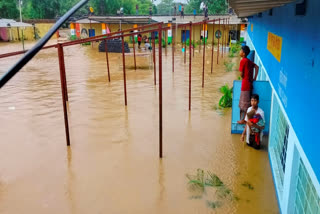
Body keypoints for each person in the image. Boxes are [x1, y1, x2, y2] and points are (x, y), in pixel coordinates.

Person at [237, 45, 259, 124]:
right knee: (247, 103)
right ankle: (245, 119)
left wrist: (243, 76)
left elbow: (241, 74)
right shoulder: (248, 61)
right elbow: (257, 67)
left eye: (240, 51)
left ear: (243, 53)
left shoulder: (243, 61)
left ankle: (245, 120)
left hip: (245, 85)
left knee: (245, 105)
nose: (240, 52)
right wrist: (254, 78)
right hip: (249, 84)